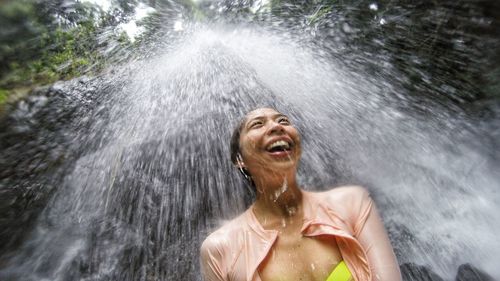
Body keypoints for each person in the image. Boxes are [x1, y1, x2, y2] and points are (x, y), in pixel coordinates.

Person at [200, 108, 402, 281]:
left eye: (283, 121)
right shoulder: (221, 248)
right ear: (239, 159)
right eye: (257, 124)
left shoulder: (351, 203)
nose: (277, 126)